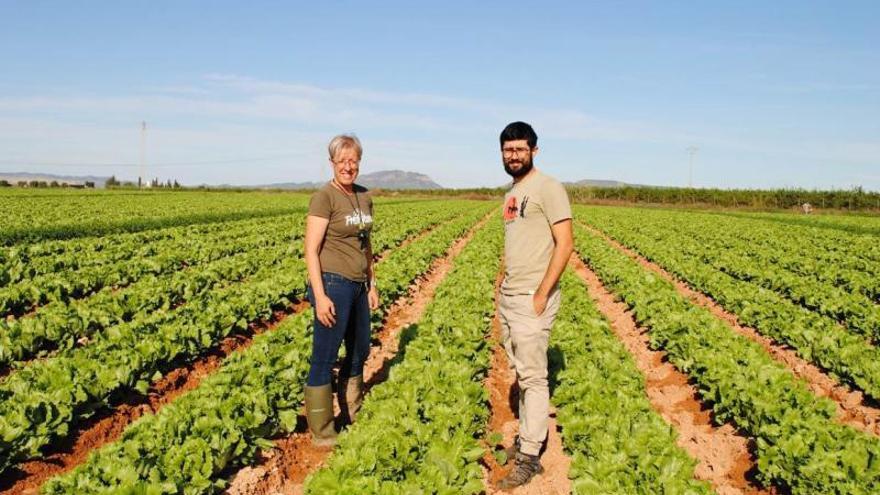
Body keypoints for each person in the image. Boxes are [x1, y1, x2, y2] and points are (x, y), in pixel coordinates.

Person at [497, 121, 573, 488]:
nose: (514, 155)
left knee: (533, 377)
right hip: (510, 296)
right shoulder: (513, 192)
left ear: (534, 151)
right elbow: (514, 242)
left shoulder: (548, 187)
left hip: (531, 297)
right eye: (508, 150)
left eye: (520, 149)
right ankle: (528, 438)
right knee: (522, 372)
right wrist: (501, 283)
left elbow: (565, 243)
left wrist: (542, 293)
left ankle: (530, 455)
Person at [304, 134, 379, 447]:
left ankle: (352, 411)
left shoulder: (364, 196)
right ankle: (322, 431)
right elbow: (311, 249)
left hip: (359, 285)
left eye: (353, 161)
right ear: (332, 163)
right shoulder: (325, 197)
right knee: (324, 355)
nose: (348, 167)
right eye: (342, 161)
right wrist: (320, 296)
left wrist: (372, 284)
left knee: (360, 349)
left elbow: (366, 244)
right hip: (333, 283)